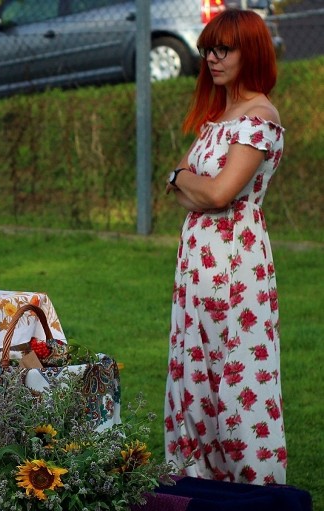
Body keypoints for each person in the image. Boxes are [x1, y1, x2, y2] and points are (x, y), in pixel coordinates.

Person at [163, 9, 286, 485]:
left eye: (223, 49)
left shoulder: (260, 118)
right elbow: (185, 190)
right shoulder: (217, 118)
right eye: (206, 50)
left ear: (249, 51)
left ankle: (254, 492)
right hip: (198, 263)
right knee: (196, 374)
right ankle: (199, 487)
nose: (211, 59)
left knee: (237, 377)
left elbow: (216, 194)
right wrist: (187, 181)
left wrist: (182, 179)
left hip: (236, 263)